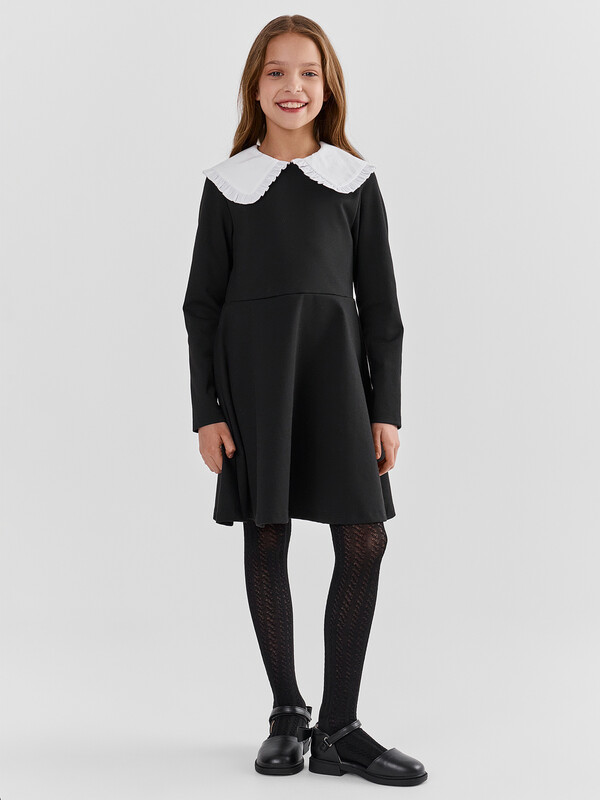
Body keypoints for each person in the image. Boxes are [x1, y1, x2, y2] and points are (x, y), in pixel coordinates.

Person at [182, 14, 427, 787]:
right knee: (268, 534)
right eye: (277, 72)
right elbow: (201, 305)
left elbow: (381, 308)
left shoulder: (354, 181)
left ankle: (340, 728)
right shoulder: (228, 185)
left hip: (336, 383)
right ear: (255, 87)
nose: (294, 86)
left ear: (329, 87)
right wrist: (206, 411)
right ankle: (288, 711)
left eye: (309, 73)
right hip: (255, 385)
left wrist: (385, 409)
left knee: (364, 538)